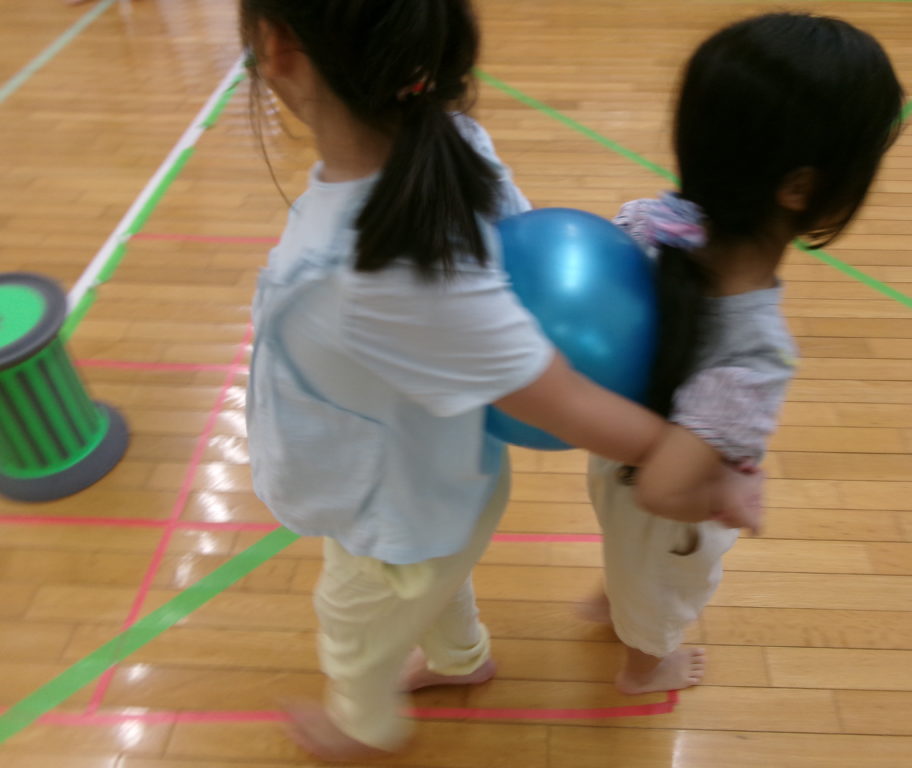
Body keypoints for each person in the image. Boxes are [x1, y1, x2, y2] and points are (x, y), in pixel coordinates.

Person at [239, 0, 758, 761]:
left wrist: (702, 467)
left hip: (390, 499)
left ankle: (362, 725)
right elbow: (520, 262)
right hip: (432, 477)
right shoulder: (452, 144)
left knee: (355, 625)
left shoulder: (373, 268)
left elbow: (559, 395)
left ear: (277, 46)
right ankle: (461, 660)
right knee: (433, 576)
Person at [586, 11, 904, 696]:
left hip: (610, 464)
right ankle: (645, 668)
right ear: (801, 188)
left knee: (633, 561)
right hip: (671, 511)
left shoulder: (648, 223)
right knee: (662, 594)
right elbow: (665, 490)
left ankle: (620, 593)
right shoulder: (754, 355)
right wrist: (726, 490)